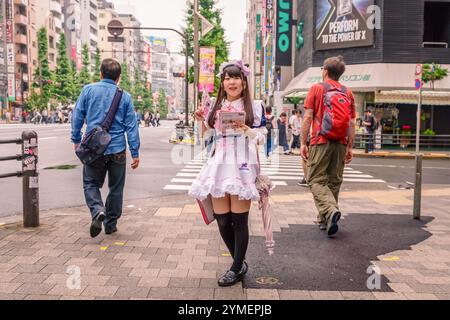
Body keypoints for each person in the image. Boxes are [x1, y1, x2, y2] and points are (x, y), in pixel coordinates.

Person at [190, 61, 267, 287]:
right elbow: (206, 138)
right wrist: (200, 121)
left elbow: (262, 137)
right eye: (227, 78)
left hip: (243, 163)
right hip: (219, 162)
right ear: (222, 82)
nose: (231, 82)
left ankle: (235, 268)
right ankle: (239, 261)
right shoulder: (214, 105)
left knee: (239, 220)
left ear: (244, 82)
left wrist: (247, 129)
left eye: (236, 78)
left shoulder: (255, 106)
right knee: (223, 220)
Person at [71, 59, 141, 238]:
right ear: (119, 78)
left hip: (94, 149)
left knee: (90, 183)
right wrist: (135, 152)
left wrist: (76, 139)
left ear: (100, 73)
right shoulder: (124, 96)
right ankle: (110, 224)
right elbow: (131, 126)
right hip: (117, 149)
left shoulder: (88, 90)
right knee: (116, 188)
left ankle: (97, 210)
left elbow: (77, 115)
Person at [300, 56, 356, 237]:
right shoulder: (348, 92)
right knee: (333, 181)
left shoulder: (317, 88)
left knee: (315, 180)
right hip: (340, 142)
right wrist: (349, 147)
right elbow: (352, 123)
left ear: (324, 71)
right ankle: (325, 219)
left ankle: (330, 210)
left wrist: (302, 142)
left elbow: (308, 117)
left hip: (320, 140)